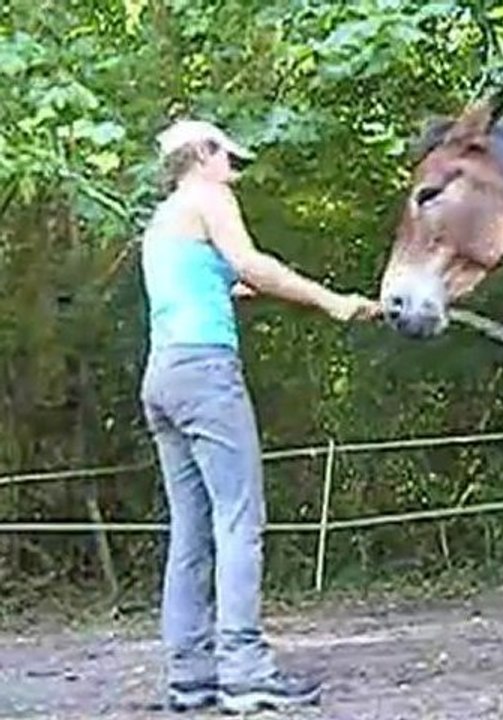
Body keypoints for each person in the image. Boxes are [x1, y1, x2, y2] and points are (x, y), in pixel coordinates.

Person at [138, 118, 380, 714]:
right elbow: (253, 264)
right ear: (202, 154)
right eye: (227, 157)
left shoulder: (163, 221)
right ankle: (246, 674)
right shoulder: (208, 197)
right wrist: (332, 302)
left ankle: (191, 678)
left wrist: (311, 296)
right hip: (205, 376)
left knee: (191, 531)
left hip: (162, 379)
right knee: (239, 519)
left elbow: (232, 282)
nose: (234, 170)